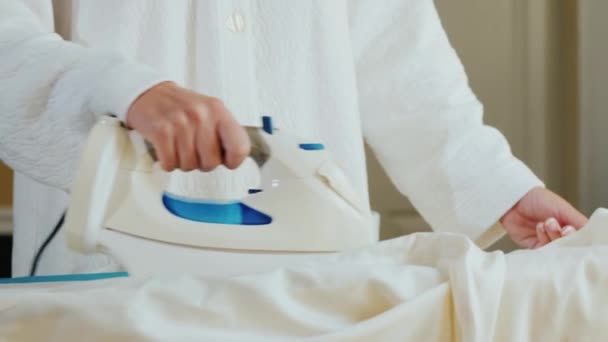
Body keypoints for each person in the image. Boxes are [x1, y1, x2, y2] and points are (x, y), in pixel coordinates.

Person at [0, 0, 587, 276]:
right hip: (108, 279)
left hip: (311, 285)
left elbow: (400, 57)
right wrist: (126, 90)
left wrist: (499, 189)